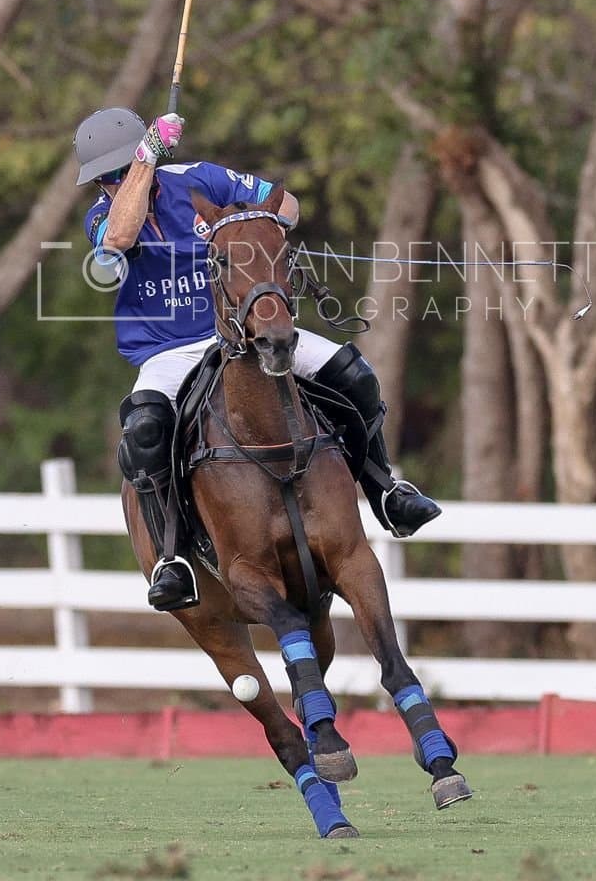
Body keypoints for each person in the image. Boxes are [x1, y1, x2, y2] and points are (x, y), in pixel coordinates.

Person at [74, 107, 441, 612]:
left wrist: (240, 225)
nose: (114, 184)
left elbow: (287, 207)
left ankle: (383, 490)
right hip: (166, 350)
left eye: (122, 173)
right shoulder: (103, 216)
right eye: (106, 178)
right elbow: (119, 238)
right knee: (143, 433)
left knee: (355, 375)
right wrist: (141, 160)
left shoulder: (200, 179)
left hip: (242, 329)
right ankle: (172, 558)